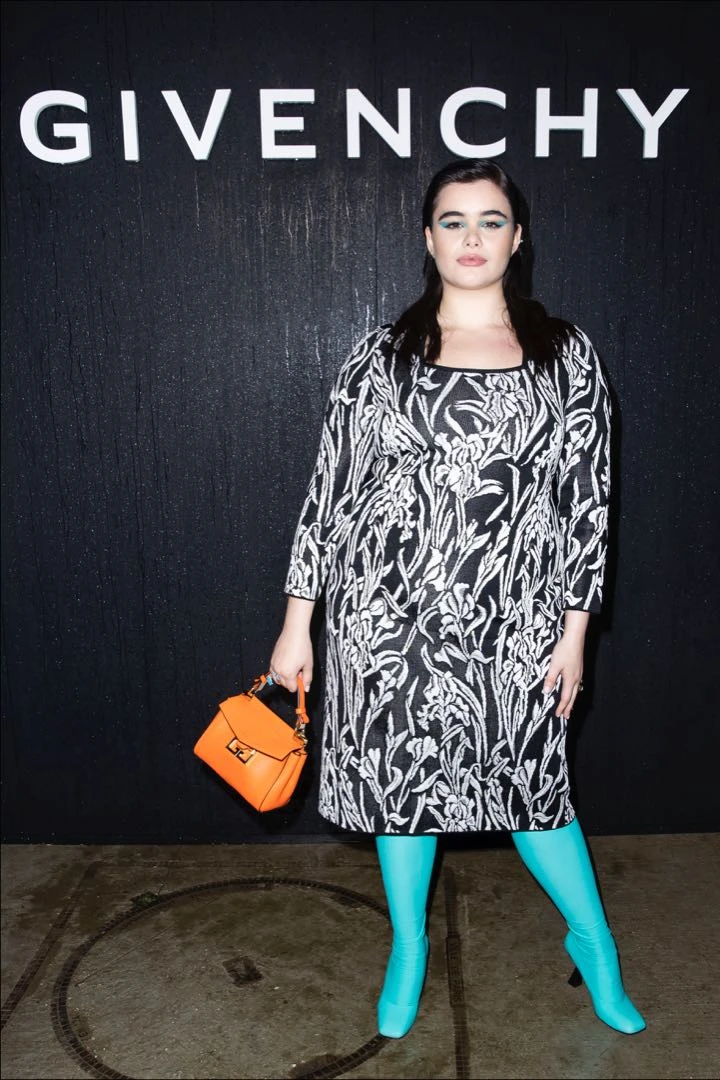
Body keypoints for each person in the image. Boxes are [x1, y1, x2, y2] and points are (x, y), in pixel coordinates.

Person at [269, 158, 646, 1039]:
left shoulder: (566, 355)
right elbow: (331, 494)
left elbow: (587, 504)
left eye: (490, 220)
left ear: (518, 239)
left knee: (537, 787)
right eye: (452, 220)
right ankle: (408, 948)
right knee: (402, 789)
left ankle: (594, 943)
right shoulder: (381, 355)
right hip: (386, 619)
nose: (471, 237)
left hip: (518, 622)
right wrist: (297, 624)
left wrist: (575, 633)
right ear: (428, 239)